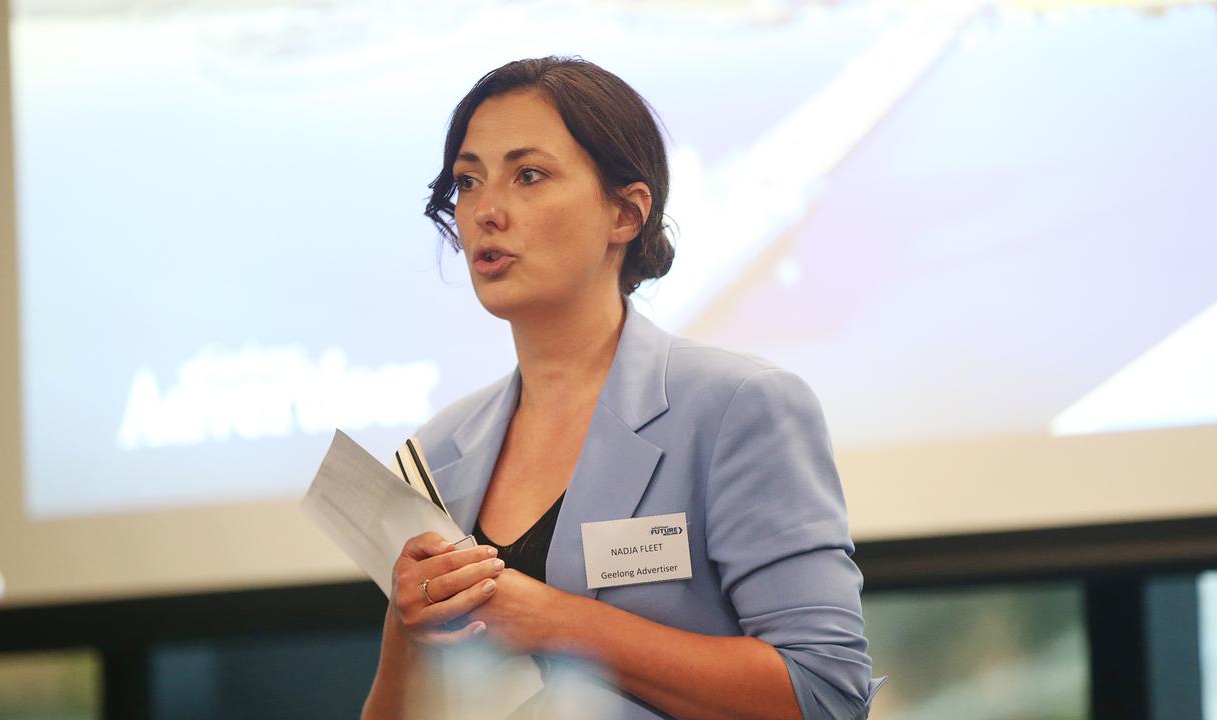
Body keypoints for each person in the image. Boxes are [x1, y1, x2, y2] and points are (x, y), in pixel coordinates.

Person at [361, 56, 881, 720]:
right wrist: (408, 631)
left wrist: (558, 622)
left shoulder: (739, 406)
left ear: (627, 213)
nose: (486, 210)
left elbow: (826, 693)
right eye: (467, 181)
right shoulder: (436, 454)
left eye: (529, 175)